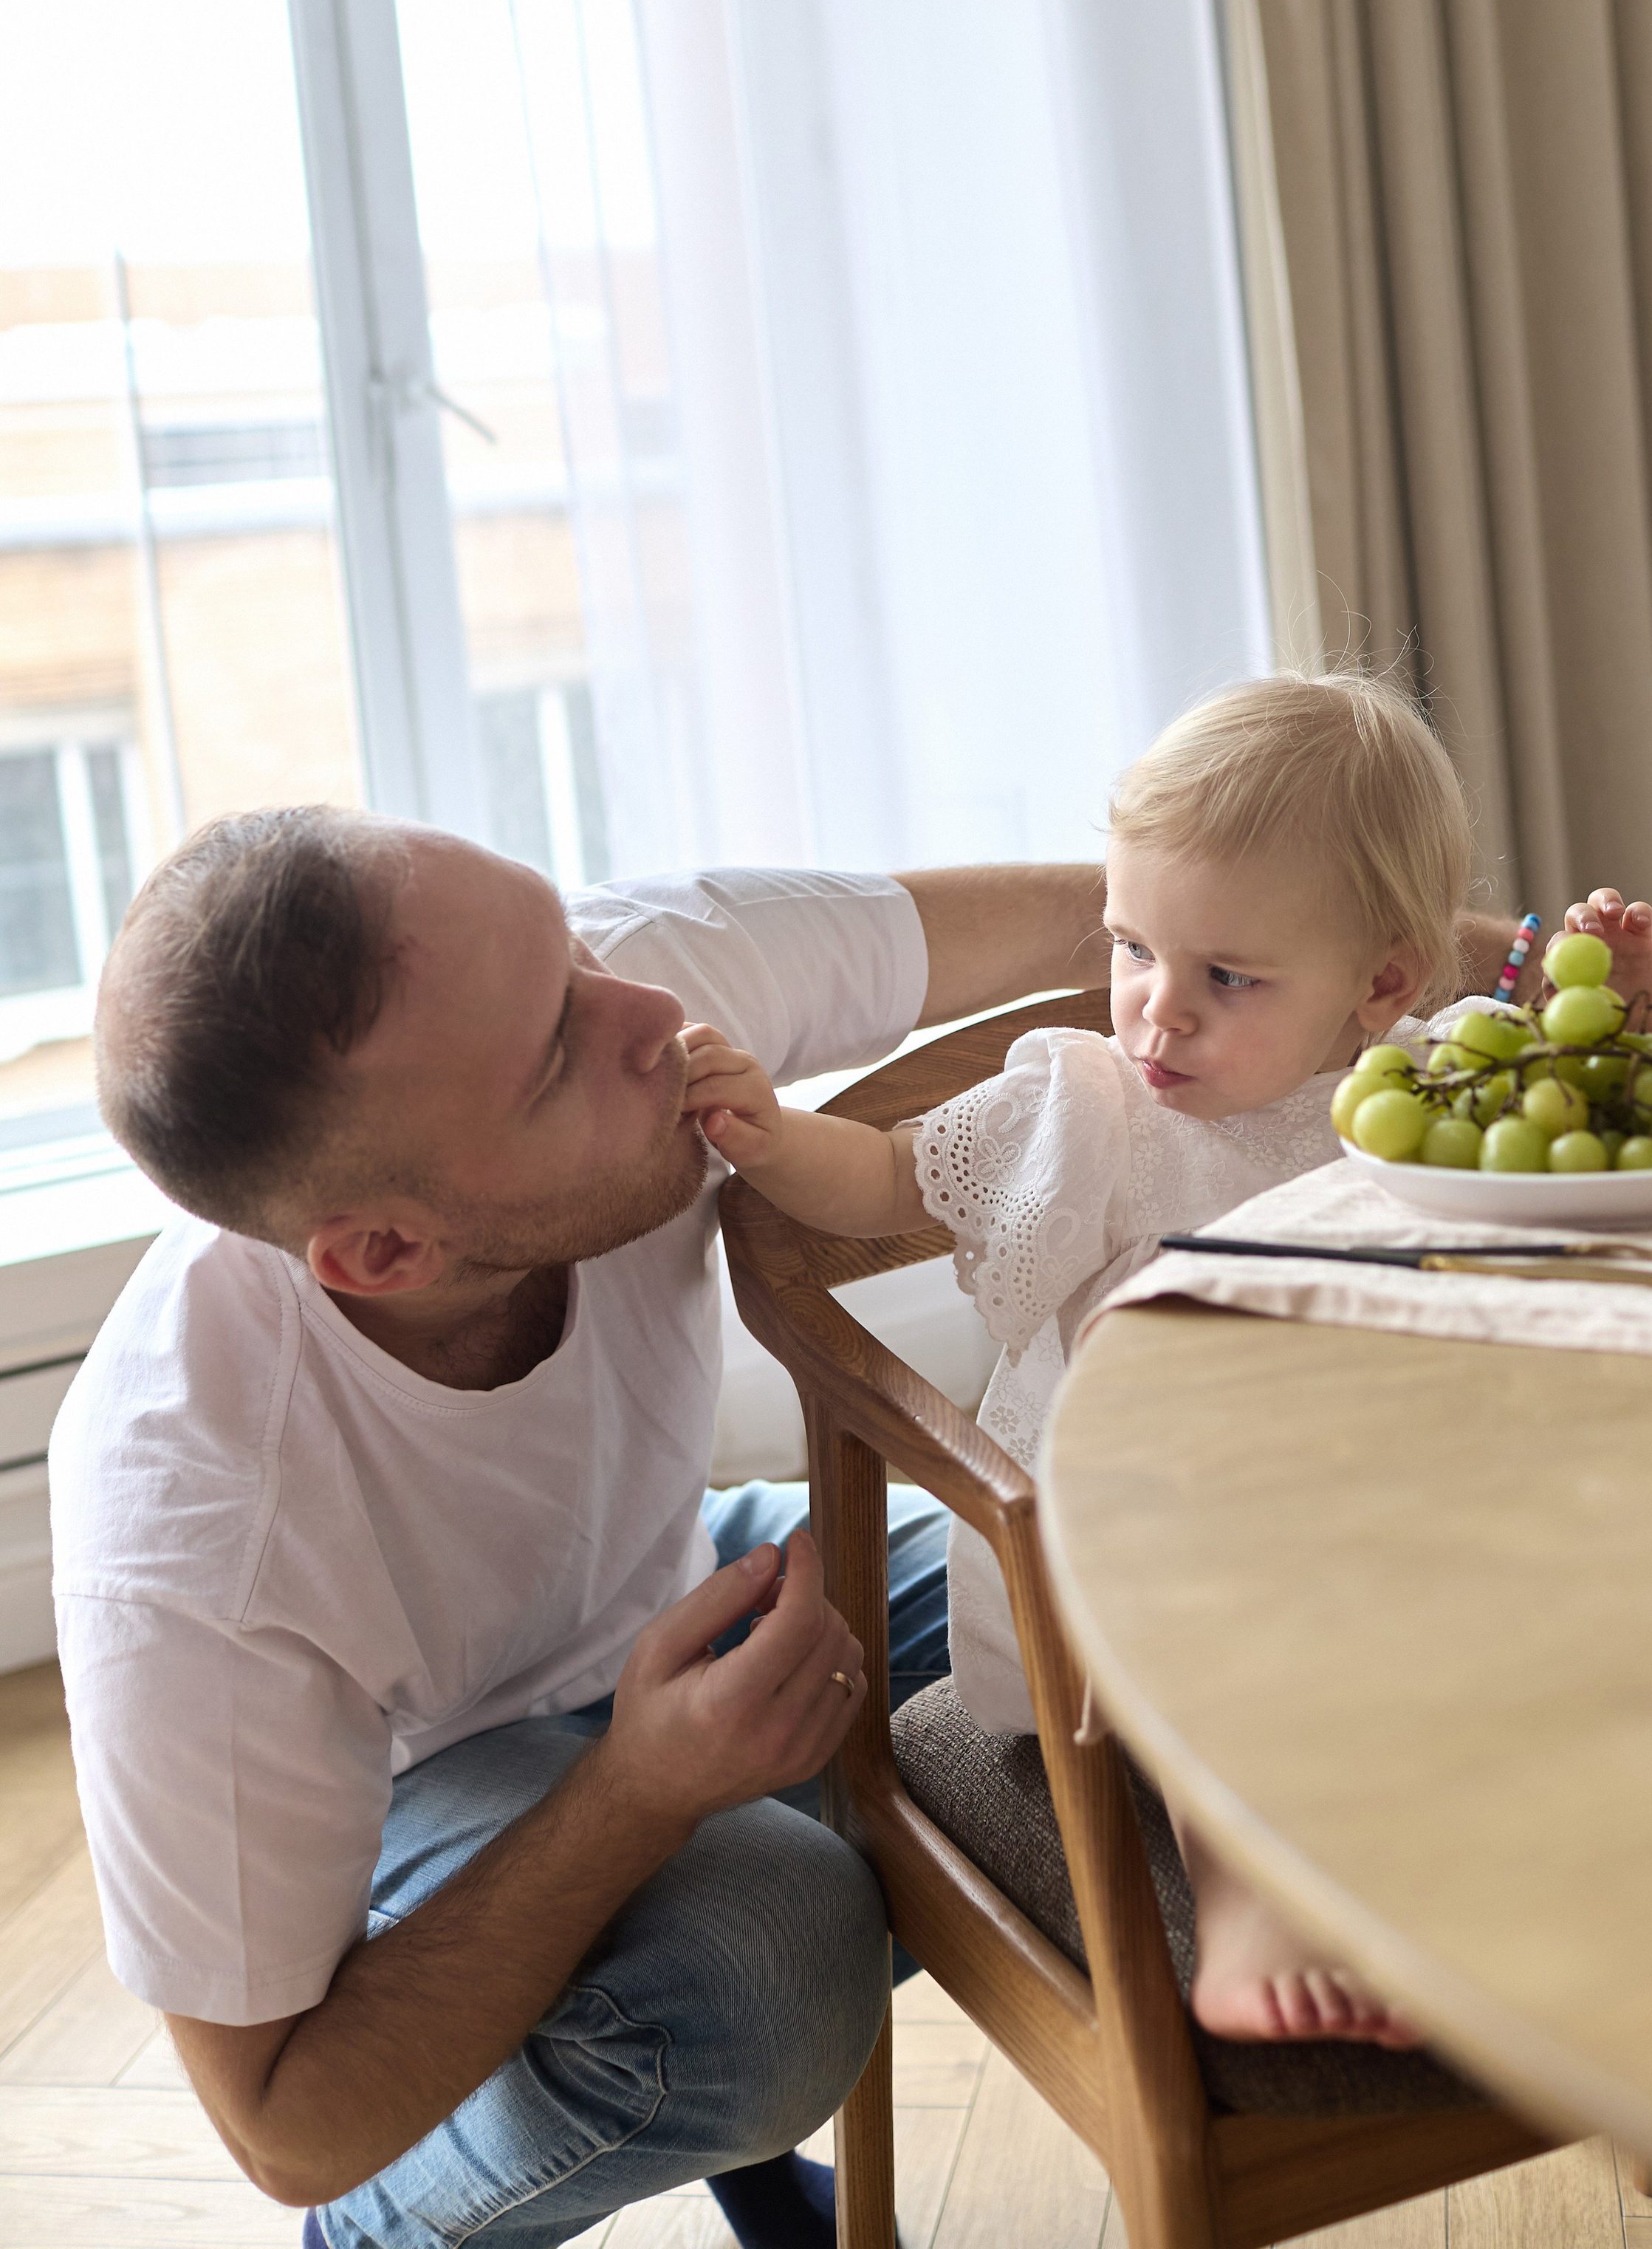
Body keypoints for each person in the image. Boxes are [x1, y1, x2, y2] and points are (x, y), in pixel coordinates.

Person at [51, 803, 1540, 2249]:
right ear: (383, 1250)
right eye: (559, 1050)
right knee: (768, 1974)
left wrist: (1515, 967)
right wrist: (639, 1791)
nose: (648, 1009)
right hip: (425, 1776)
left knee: (1149, 1565)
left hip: (685, 1569)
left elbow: (1152, 904)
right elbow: (285, 2128)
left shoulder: (620, 988)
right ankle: (442, 2213)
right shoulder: (193, 1532)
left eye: (570, 943)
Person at [682, 675, 1652, 2055]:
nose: (1157, 1014)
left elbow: (1600, 1119)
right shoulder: (1091, 1111)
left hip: (1395, 1512)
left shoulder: (1441, 1087)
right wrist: (777, 1139)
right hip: (1135, 1538)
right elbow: (897, 1174)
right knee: (1247, 1614)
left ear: (1381, 983)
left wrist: (1618, 1004)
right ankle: (1247, 1905)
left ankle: (1497, 1864)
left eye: (1227, 978)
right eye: (1133, 948)